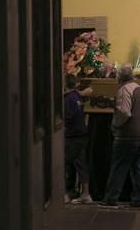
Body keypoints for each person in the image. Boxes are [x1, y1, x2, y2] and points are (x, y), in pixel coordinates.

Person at [98, 64, 140, 209]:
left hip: (127, 136)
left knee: (119, 167)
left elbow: (124, 112)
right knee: (138, 168)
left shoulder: (124, 90)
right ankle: (139, 200)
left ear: (119, 77)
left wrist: (115, 125)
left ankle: (110, 199)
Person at [64, 74, 93, 204]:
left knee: (64, 163)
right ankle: (86, 194)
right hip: (82, 134)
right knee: (81, 165)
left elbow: (67, 118)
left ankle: (63, 193)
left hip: (72, 136)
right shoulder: (77, 97)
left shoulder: (68, 99)